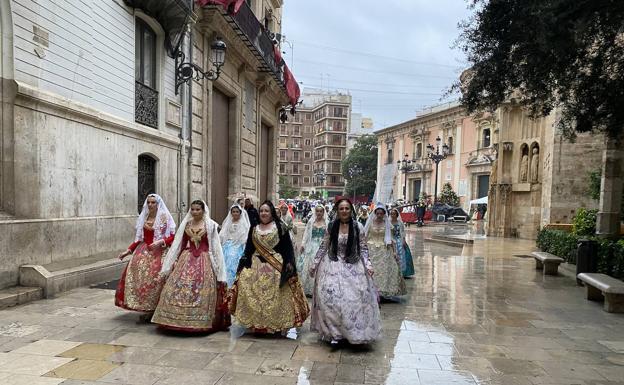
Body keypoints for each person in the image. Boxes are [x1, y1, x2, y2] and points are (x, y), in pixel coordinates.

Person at [229, 200, 309, 336]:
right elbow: (249, 248)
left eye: (266, 211)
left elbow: (287, 248)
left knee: (278, 290)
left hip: (275, 264)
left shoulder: (280, 227)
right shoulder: (254, 228)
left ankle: (275, 325)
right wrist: (243, 264)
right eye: (261, 211)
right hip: (256, 263)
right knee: (247, 282)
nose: (264, 213)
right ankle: (256, 324)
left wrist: (289, 263)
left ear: (272, 212)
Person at [310, 198, 381, 345]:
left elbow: (363, 248)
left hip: (352, 265)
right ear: (337, 210)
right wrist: (315, 264)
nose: (344, 211)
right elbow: (324, 245)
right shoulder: (331, 226)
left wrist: (368, 265)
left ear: (351, 210)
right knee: (330, 299)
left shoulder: (358, 227)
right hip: (333, 264)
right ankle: (334, 333)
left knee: (353, 300)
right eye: (341, 208)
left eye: (347, 208)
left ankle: (353, 333)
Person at [151, 200, 230, 332]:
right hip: (187, 257)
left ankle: (201, 319)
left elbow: (215, 246)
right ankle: (174, 318)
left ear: (203, 210)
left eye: (198, 209)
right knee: (180, 286)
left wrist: (219, 267)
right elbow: (180, 244)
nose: (195, 212)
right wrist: (174, 261)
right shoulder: (186, 224)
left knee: (200, 286)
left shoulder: (210, 225)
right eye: (192, 209)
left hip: (204, 258)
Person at [116, 194, 176, 320]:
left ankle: (157, 309)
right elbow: (139, 238)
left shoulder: (164, 217)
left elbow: (172, 236)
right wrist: (128, 251)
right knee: (141, 280)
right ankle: (147, 308)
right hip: (143, 252)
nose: (150, 205)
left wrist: (160, 242)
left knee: (158, 280)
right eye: (148, 202)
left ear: (158, 204)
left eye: (153, 202)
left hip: (160, 252)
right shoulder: (144, 216)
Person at [364, 204, 406, 299]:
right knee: (371, 269)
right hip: (371, 248)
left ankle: (382, 291)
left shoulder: (388, 225)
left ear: (384, 214)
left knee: (384, 270)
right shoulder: (370, 224)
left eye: (381, 214)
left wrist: (395, 252)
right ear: (375, 213)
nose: (379, 215)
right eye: (377, 213)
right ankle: (370, 290)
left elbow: (391, 239)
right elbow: (365, 237)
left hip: (384, 248)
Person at [297, 205, 329, 296]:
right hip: (311, 246)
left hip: (322, 247)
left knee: (321, 267)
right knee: (309, 266)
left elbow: (329, 237)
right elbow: (306, 234)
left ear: (323, 212)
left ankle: (319, 289)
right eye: (317, 211)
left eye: (321, 211)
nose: (319, 213)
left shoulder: (327, 223)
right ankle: (308, 289)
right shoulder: (311, 222)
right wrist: (303, 244)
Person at [220, 204, 251, 287]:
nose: (235, 213)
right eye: (233, 212)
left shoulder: (243, 223)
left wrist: (239, 243)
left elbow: (245, 235)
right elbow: (223, 233)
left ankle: (233, 283)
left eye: (237, 212)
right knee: (225, 258)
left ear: (240, 213)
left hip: (238, 244)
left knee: (233, 257)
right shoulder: (228, 222)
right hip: (228, 244)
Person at [389, 208, 415, 278]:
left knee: (403, 255)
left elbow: (402, 232)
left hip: (399, 239)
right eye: (391, 214)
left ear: (397, 215)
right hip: (392, 240)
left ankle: (403, 272)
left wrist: (403, 240)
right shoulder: (388, 223)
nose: (392, 215)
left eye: (394, 214)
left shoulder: (400, 223)